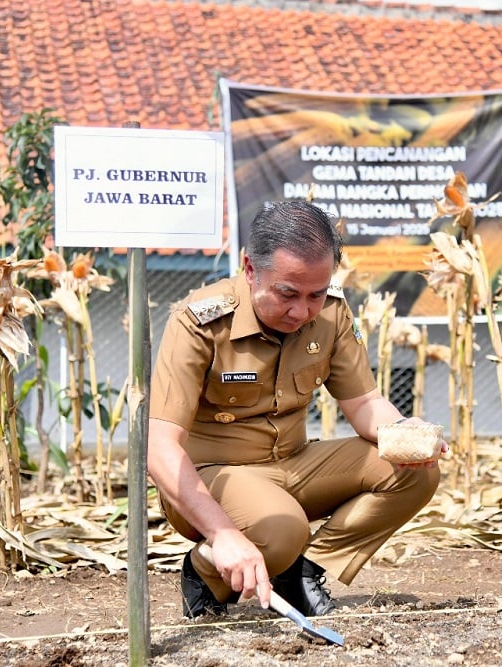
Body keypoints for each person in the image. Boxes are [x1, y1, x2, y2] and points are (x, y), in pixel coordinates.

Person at [147, 200, 445, 618]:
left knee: (413, 469)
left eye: (316, 295)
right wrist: (223, 533)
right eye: (287, 293)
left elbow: (364, 404)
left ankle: (304, 570)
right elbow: (159, 448)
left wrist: (404, 432)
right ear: (250, 270)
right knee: (284, 528)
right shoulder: (199, 322)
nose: (302, 311)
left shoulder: (332, 313)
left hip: (294, 464)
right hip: (212, 478)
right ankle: (204, 567)